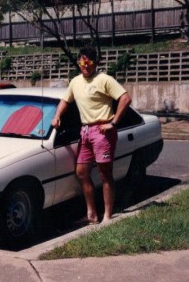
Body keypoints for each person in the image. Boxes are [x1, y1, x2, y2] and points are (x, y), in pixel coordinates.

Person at [51, 45, 132, 224]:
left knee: (105, 174)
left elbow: (125, 98)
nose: (85, 65)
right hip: (85, 132)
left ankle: (107, 216)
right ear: (79, 62)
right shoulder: (75, 82)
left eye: (89, 62)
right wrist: (57, 116)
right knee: (81, 172)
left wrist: (113, 123)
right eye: (82, 62)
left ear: (95, 63)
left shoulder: (104, 79)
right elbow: (65, 100)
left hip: (102, 131)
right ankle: (91, 214)